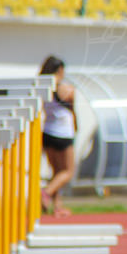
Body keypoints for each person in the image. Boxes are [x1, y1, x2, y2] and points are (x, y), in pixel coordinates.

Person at [39, 55, 76, 218]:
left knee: (56, 173)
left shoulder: (41, 87)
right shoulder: (66, 88)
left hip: (47, 131)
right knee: (67, 171)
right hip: (62, 133)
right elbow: (73, 109)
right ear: (60, 70)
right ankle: (45, 192)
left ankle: (57, 207)